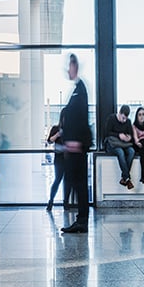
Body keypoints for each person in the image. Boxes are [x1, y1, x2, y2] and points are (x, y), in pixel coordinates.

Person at [59, 54, 92, 234]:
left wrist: (75, 142)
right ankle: (80, 220)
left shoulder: (81, 89)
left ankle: (82, 221)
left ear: (75, 67)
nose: (67, 70)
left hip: (77, 147)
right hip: (73, 146)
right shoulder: (77, 89)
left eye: (69, 66)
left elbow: (81, 118)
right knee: (75, 182)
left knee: (78, 183)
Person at [102, 105, 136, 189]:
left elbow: (130, 134)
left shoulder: (128, 121)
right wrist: (119, 135)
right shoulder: (111, 118)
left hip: (124, 144)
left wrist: (128, 137)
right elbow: (106, 133)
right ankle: (127, 178)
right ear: (120, 113)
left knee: (132, 151)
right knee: (120, 152)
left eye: (126, 118)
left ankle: (124, 178)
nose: (124, 121)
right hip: (112, 144)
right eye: (123, 118)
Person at [46, 123, 68, 210]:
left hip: (68, 158)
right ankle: (51, 201)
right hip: (59, 158)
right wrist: (58, 134)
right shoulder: (56, 128)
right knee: (57, 180)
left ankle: (66, 202)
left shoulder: (70, 128)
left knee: (67, 181)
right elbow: (49, 140)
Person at [132, 107, 144, 184]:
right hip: (137, 145)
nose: (141, 116)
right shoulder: (134, 125)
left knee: (143, 154)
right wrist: (138, 143)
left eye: (143, 114)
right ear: (137, 116)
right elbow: (135, 137)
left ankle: (143, 177)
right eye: (139, 114)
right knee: (142, 142)